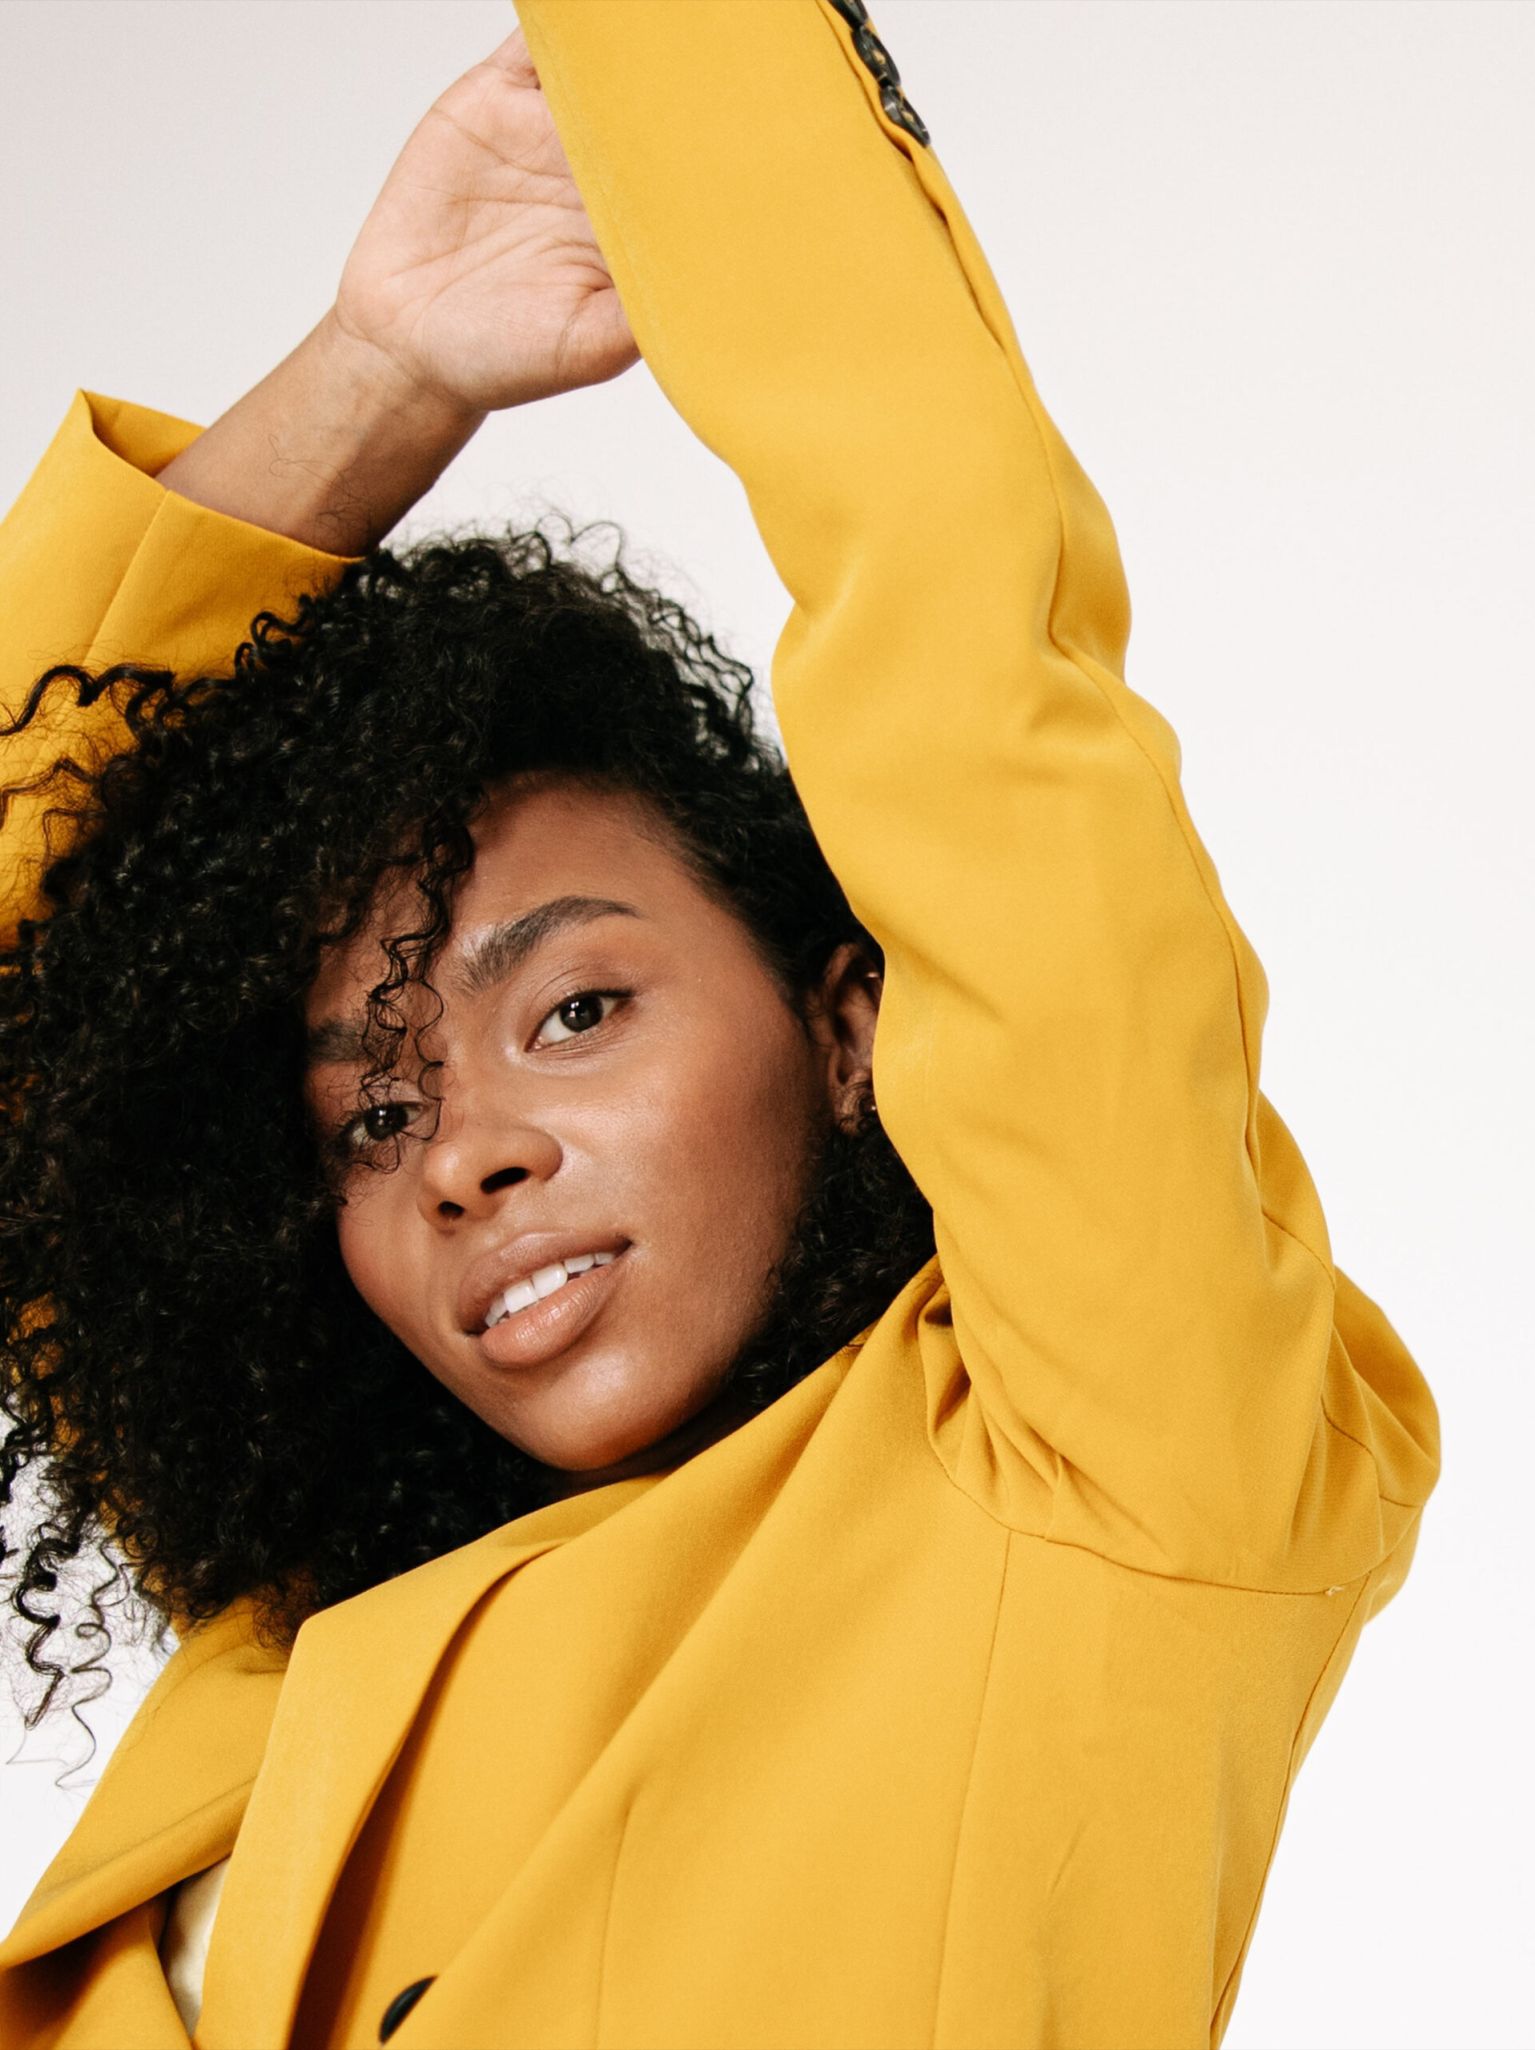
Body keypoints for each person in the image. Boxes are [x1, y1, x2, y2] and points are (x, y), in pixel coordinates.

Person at [0, 4, 1441, 2046]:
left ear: (853, 1031)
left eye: (575, 1006)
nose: (464, 1151)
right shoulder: (310, 1633)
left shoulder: (1107, 1467)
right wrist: (377, 376)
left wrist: (692, 72)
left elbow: (966, 647)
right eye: (373, 1116)